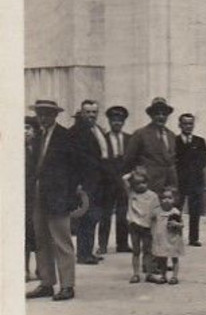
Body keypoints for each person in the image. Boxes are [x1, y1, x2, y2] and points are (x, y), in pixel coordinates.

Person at [27, 99, 79, 302]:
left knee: (62, 241)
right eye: (40, 113)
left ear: (55, 115)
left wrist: (70, 195)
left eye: (48, 114)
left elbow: (75, 168)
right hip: (38, 194)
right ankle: (47, 283)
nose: (43, 117)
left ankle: (67, 285)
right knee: (41, 240)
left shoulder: (66, 136)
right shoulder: (37, 136)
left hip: (58, 195)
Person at [70, 99, 112, 264]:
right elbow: (75, 160)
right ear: (81, 113)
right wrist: (77, 184)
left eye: (94, 112)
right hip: (85, 182)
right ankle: (83, 254)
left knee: (94, 217)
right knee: (85, 218)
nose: (91, 115)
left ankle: (89, 251)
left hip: (99, 181)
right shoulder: (76, 132)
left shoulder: (97, 130)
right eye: (88, 112)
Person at [123, 97, 178, 195]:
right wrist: (138, 179)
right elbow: (128, 160)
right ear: (151, 115)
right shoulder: (140, 134)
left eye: (164, 114)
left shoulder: (171, 135)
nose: (161, 117)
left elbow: (172, 161)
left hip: (168, 189)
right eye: (157, 113)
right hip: (148, 186)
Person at [98, 105, 132, 255]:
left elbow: (132, 160)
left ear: (124, 122)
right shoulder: (102, 139)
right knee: (105, 214)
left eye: (120, 120)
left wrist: (128, 176)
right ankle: (103, 245)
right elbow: (101, 162)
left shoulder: (129, 139)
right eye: (114, 120)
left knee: (123, 213)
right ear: (109, 121)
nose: (117, 123)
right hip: (108, 182)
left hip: (124, 182)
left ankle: (122, 244)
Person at [175, 113, 206, 246]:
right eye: (185, 123)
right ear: (180, 125)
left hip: (195, 180)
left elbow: (204, 160)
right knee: (176, 210)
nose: (188, 126)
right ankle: (176, 236)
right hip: (179, 181)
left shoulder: (200, 141)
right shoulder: (175, 141)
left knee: (195, 211)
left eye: (190, 124)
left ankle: (193, 238)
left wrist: (193, 170)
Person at [122, 165, 160, 283]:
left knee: (148, 251)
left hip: (147, 226)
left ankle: (149, 273)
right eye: (137, 183)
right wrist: (133, 173)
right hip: (134, 226)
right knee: (136, 251)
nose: (141, 185)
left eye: (143, 182)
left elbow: (156, 212)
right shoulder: (132, 194)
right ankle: (136, 274)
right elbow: (124, 179)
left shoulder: (153, 195)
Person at [149, 188, 184, 285]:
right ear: (160, 200)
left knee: (174, 258)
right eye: (164, 198)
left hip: (173, 239)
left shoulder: (175, 212)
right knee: (162, 259)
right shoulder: (157, 211)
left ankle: (174, 276)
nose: (167, 200)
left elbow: (182, 225)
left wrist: (176, 224)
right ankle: (163, 276)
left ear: (174, 199)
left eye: (170, 197)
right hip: (161, 239)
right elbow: (150, 220)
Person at [25, 115, 40, 281]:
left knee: (38, 235)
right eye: (23, 128)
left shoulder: (38, 149)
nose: (25, 132)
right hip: (22, 199)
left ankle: (40, 269)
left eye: (29, 128)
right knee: (24, 237)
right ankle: (24, 269)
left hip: (36, 198)